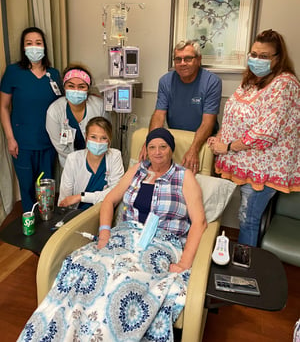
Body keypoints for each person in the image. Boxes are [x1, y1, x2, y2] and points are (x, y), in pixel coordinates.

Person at [17, 128, 207, 342]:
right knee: (90, 270)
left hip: (160, 243)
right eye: (152, 147)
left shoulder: (183, 176)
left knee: (124, 282)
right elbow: (109, 200)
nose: (158, 152)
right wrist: (105, 234)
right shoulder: (137, 170)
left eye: (163, 146)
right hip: (125, 236)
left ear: (171, 149)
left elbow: (199, 222)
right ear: (146, 150)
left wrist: (184, 263)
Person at [208, 29, 300, 247]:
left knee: (248, 221)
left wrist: (227, 146)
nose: (257, 60)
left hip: (263, 168)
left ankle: (246, 270)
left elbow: (265, 133)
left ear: (278, 58)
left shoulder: (285, 84)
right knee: (245, 218)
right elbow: (231, 113)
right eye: (254, 54)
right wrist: (219, 137)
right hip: (244, 163)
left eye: (264, 56)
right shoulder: (251, 80)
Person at [0, 27, 63, 212]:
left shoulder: (54, 74)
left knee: (46, 188)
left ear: (44, 47)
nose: (34, 47)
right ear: (23, 48)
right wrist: (10, 138)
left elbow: (62, 105)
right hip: (22, 143)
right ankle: (29, 220)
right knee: (26, 187)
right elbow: (3, 107)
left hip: (48, 142)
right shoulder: (13, 72)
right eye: (29, 43)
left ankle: (46, 221)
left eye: (38, 43)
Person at [140, 39, 222, 174]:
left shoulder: (212, 82)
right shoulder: (166, 81)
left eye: (188, 58)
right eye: (178, 59)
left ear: (199, 59)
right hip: (175, 137)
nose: (182, 63)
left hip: (202, 141)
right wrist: (151, 140)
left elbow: (208, 121)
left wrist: (194, 149)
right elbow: (159, 114)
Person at [46, 63, 110, 167]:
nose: (76, 90)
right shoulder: (54, 111)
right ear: (64, 86)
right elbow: (60, 147)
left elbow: (106, 136)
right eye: (71, 86)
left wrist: (93, 161)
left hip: (98, 162)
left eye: (81, 87)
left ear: (88, 89)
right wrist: (80, 163)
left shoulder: (99, 106)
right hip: (70, 164)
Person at [58, 116, 124, 209]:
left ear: (109, 141)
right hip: (77, 214)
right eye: (93, 137)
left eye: (103, 138)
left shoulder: (115, 156)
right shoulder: (73, 159)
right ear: (86, 138)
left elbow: (116, 192)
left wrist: (81, 197)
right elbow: (65, 199)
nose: (98, 142)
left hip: (104, 210)